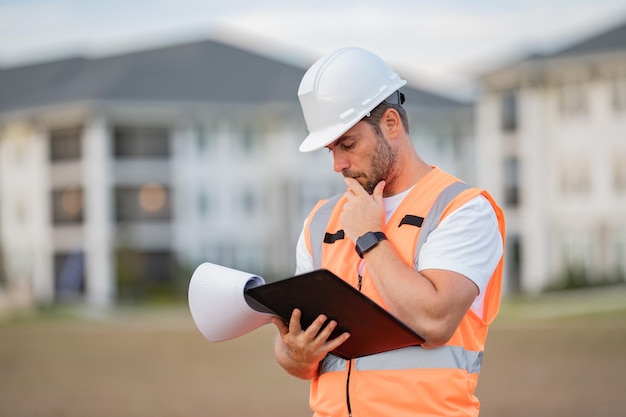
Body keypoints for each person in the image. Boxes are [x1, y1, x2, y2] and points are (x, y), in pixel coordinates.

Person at [270, 46, 505, 417]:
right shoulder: (321, 221)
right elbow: (291, 354)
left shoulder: (462, 209)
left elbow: (434, 322)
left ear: (391, 124)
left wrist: (369, 238)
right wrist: (295, 352)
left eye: (347, 144)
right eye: (330, 149)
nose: (337, 164)